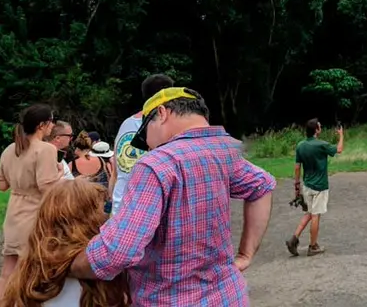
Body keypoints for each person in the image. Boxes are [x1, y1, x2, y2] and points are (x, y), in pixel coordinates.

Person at [71, 86, 276, 306]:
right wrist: (245, 254)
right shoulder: (226, 151)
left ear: (161, 113)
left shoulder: (156, 164)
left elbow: (118, 251)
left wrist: (70, 266)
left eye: (145, 135)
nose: (148, 146)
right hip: (229, 296)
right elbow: (262, 186)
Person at [3, 179, 129, 307]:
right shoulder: (97, 269)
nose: (110, 216)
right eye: (107, 208)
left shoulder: (32, 269)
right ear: (89, 219)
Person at [0, 104, 61, 307]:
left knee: (6, 275)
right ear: (42, 125)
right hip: (34, 217)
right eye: (51, 121)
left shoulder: (10, 149)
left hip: (13, 216)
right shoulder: (46, 149)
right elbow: (47, 189)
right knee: (32, 277)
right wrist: (59, 175)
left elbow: (2, 185)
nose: (53, 126)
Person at [110, 73, 173, 215]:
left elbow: (115, 172)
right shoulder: (162, 127)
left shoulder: (125, 124)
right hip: (144, 212)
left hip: (119, 206)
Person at [286, 119, 344, 257]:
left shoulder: (300, 146)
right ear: (316, 130)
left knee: (309, 214)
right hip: (320, 186)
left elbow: (297, 167)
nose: (321, 127)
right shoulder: (321, 145)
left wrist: (297, 186)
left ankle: (293, 239)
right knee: (316, 215)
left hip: (307, 185)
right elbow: (339, 149)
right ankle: (313, 246)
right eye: (320, 126)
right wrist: (341, 135)